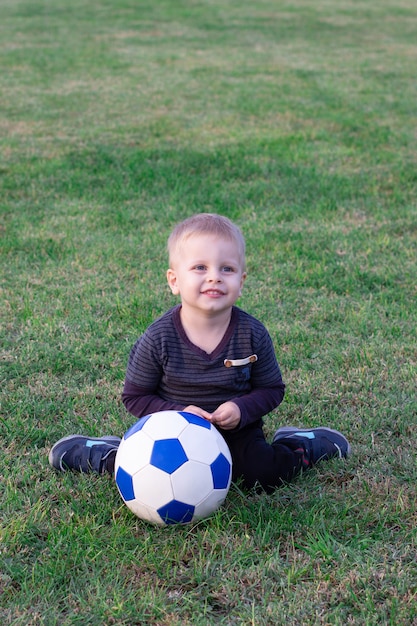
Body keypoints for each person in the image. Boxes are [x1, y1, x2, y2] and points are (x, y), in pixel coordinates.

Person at [49, 213, 350, 492]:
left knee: (263, 475)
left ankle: (298, 446)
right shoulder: (159, 337)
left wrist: (241, 409)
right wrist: (177, 411)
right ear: (174, 281)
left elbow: (271, 389)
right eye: (200, 267)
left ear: (241, 282)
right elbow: (135, 396)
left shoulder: (252, 333)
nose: (214, 277)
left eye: (227, 268)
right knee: (146, 478)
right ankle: (107, 455)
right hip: (171, 430)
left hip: (235, 432)